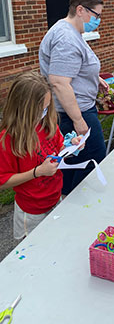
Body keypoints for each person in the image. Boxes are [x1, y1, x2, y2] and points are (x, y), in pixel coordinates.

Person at [39, 0, 108, 195]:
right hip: (73, 112)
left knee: (73, 159)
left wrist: (95, 78)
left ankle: (67, 196)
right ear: (80, 10)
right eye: (96, 15)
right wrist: (78, 121)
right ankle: (76, 201)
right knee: (93, 156)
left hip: (78, 108)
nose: (98, 20)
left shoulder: (71, 33)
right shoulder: (66, 38)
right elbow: (59, 82)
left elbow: (74, 67)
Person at [0, 72, 82, 239]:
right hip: (31, 212)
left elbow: (59, 149)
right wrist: (38, 171)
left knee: (55, 243)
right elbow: (3, 181)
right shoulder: (9, 139)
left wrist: (72, 145)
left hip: (55, 199)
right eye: (40, 110)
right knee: (32, 252)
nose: (44, 113)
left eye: (47, 107)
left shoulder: (47, 124)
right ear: (24, 109)